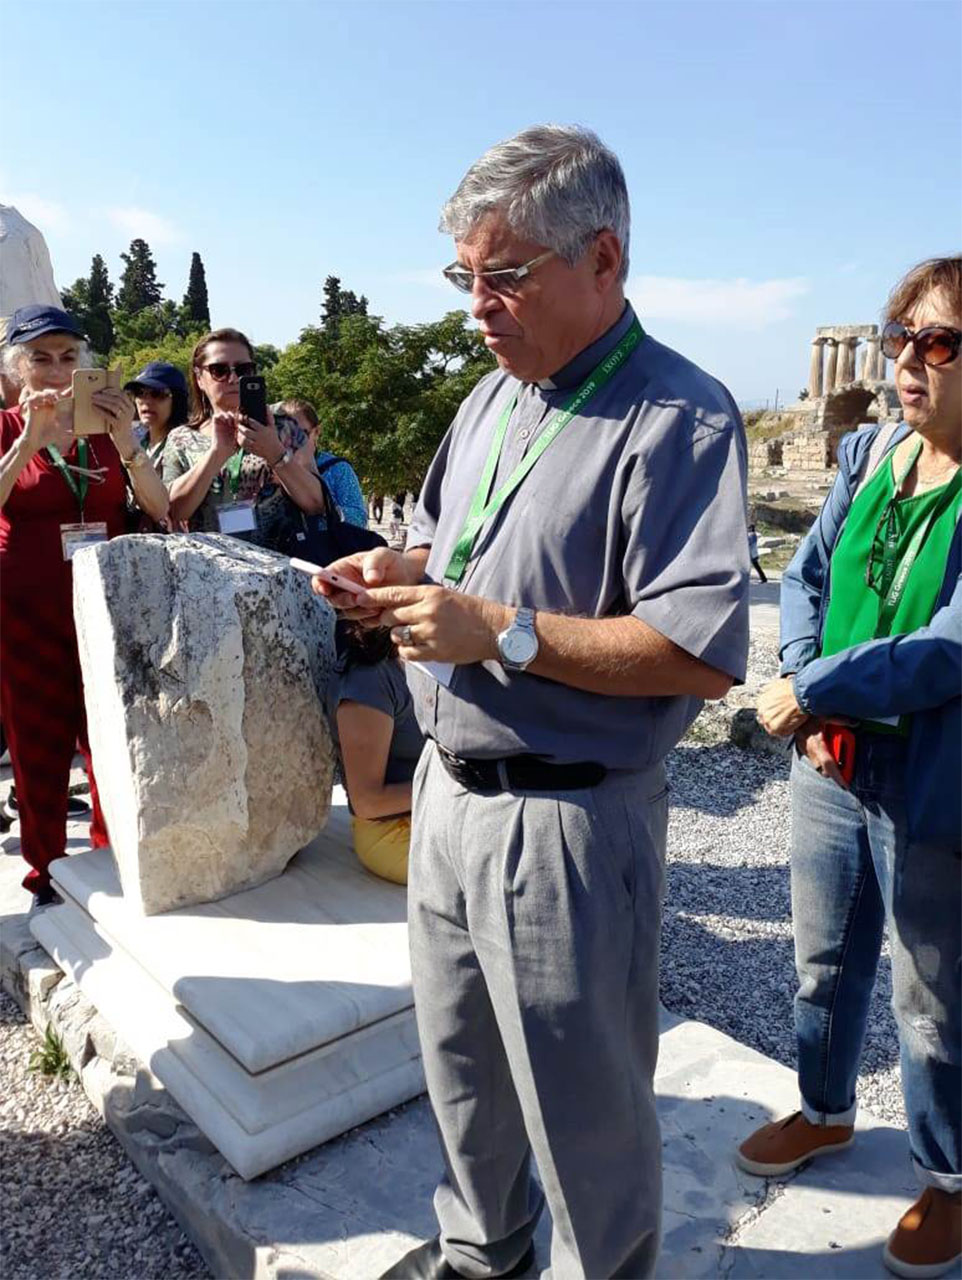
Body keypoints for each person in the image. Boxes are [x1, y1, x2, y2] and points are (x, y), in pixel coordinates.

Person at [314, 125, 749, 1280]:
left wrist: (498, 633)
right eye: (464, 278)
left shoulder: (681, 419)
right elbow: (447, 552)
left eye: (502, 277)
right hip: (448, 801)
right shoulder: (489, 399)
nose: (475, 306)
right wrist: (395, 576)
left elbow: (696, 649)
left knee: (585, 1113)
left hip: (565, 822)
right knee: (460, 1071)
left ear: (601, 258)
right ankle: (483, 1252)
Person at [738, 256, 961, 1280]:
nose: (910, 360)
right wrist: (796, 670)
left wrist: (813, 685)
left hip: (923, 775)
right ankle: (825, 1110)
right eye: (899, 336)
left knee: (930, 994)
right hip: (827, 759)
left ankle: (948, 1175)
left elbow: (948, 648)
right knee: (822, 956)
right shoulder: (871, 449)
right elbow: (806, 572)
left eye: (940, 341)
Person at [0, 305, 168, 907]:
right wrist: (26, 443)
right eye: (41, 358)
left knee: (109, 739)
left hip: (102, 606)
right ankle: (45, 869)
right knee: (37, 741)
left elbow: (158, 506)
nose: (55, 370)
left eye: (68, 357)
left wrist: (126, 442)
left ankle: (110, 855)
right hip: (27, 608)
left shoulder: (107, 426)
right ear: (19, 368)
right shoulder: (5, 426)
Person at [164, 329, 325, 542]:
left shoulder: (285, 429)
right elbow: (173, 512)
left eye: (243, 369)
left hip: (278, 566)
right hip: (210, 567)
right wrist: (215, 455)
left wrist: (275, 453)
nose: (232, 378)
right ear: (199, 379)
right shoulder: (182, 439)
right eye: (219, 370)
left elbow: (316, 504)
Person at [330, 623, 424, 885]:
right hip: (393, 834)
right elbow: (368, 802)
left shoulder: (432, 655)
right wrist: (454, 792)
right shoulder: (368, 680)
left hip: (443, 815)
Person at [274, 397, 368, 528]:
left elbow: (359, 519)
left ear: (316, 432)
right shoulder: (270, 469)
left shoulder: (337, 469)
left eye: (300, 433)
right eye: (284, 433)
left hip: (327, 546)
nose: (292, 441)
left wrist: (325, 506)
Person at [124, 360, 189, 530]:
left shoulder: (187, 444)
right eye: (140, 393)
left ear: (178, 400)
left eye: (157, 394)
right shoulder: (134, 442)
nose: (146, 401)